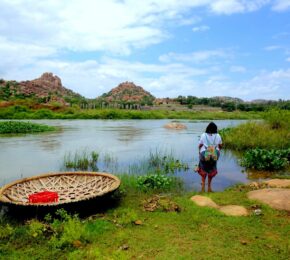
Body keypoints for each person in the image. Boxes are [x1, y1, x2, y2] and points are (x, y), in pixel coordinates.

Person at [196, 122, 222, 192]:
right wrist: (218, 151)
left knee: (203, 167)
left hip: (204, 153)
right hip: (214, 153)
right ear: (215, 129)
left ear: (207, 128)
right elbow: (220, 146)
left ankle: (203, 184)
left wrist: (199, 151)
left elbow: (200, 145)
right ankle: (209, 186)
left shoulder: (203, 135)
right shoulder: (218, 135)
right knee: (212, 167)